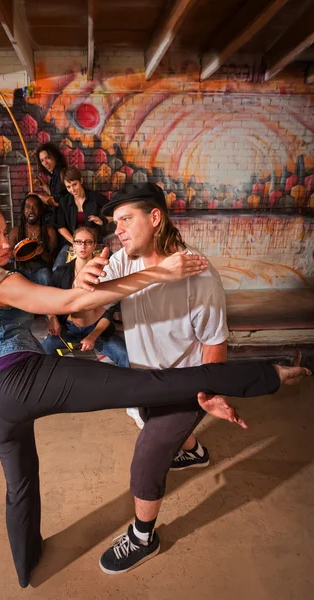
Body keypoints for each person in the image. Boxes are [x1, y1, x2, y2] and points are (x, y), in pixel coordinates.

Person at [0, 199, 310, 589]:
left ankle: (25, 567)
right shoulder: (1, 282)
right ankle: (266, 375)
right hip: (23, 381)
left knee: (20, 486)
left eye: (6, 233)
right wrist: (161, 275)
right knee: (145, 384)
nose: (6, 244)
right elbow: (73, 303)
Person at [74, 182, 307, 576]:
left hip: (185, 379)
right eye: (115, 223)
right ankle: (195, 451)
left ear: (155, 217)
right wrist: (82, 284)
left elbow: (214, 345)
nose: (119, 231)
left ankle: (144, 536)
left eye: (126, 219)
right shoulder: (121, 262)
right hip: (146, 377)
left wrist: (205, 394)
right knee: (150, 420)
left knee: (147, 458)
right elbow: (80, 319)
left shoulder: (198, 275)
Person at [43, 226, 129, 367]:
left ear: (94, 245)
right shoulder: (61, 272)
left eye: (88, 242)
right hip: (68, 328)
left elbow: (108, 313)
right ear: (73, 244)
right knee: (45, 351)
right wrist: (52, 318)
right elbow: (50, 299)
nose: (83, 246)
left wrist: (92, 336)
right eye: (78, 242)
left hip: (97, 329)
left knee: (125, 356)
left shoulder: (104, 272)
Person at [51, 166, 109, 269]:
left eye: (74, 184)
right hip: (73, 243)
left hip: (95, 242)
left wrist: (102, 221)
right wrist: (74, 242)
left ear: (81, 181)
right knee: (57, 268)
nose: (72, 190)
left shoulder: (95, 197)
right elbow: (61, 227)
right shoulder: (64, 201)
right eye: (68, 187)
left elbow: (113, 214)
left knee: (108, 268)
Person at [8, 192, 57, 285]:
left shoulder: (49, 231)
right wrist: (10, 256)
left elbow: (52, 261)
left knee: (45, 275)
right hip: (23, 271)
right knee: (12, 276)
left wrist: (43, 252)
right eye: (27, 206)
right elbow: (9, 259)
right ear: (23, 210)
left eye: (35, 207)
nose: (31, 209)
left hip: (42, 271)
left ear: (40, 210)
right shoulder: (16, 231)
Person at [35, 142, 67, 207]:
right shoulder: (55, 173)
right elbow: (55, 195)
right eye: (42, 160)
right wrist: (44, 185)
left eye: (48, 158)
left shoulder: (59, 172)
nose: (45, 163)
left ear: (55, 156)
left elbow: (56, 201)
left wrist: (36, 196)